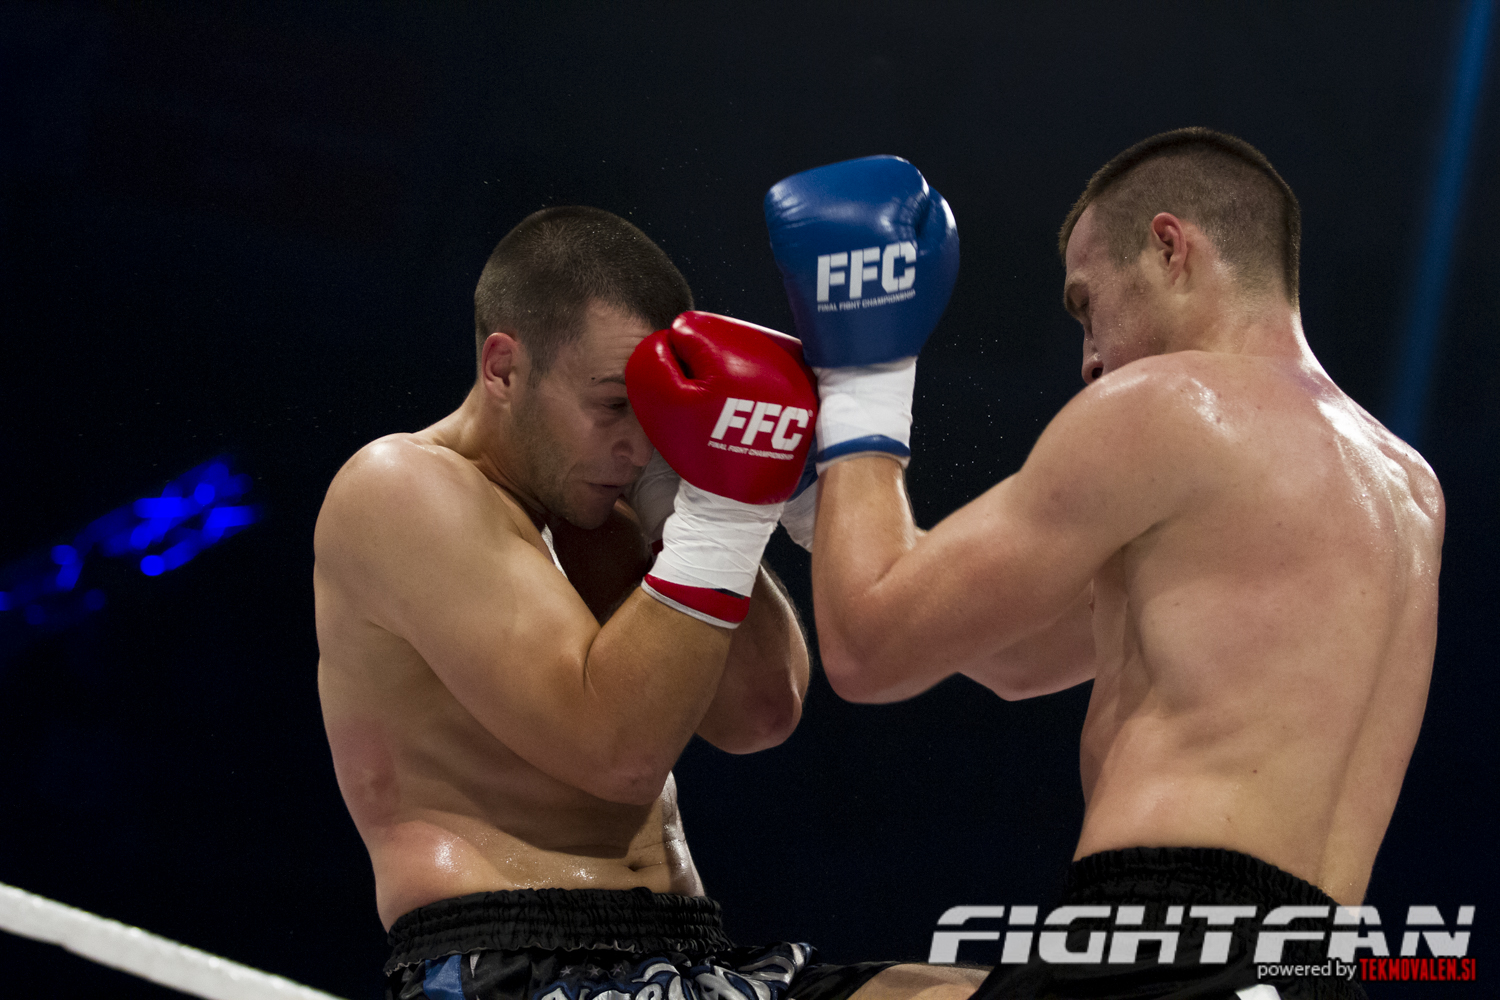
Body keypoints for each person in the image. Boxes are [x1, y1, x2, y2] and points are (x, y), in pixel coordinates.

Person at [766, 133, 1443, 999]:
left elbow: (867, 648)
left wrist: (863, 380)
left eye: (1087, 306)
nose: (1088, 359)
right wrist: (824, 515)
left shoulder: (1166, 404)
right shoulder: (1409, 488)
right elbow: (1016, 659)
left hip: (1156, 950)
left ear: (1169, 247)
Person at [315, 206, 986, 1000]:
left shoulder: (614, 513)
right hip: (509, 966)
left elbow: (761, 711)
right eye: (610, 405)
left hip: (687, 953)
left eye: (653, 408)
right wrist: (725, 512)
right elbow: (619, 754)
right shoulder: (401, 489)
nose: (637, 445)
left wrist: (687, 493)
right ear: (503, 368)